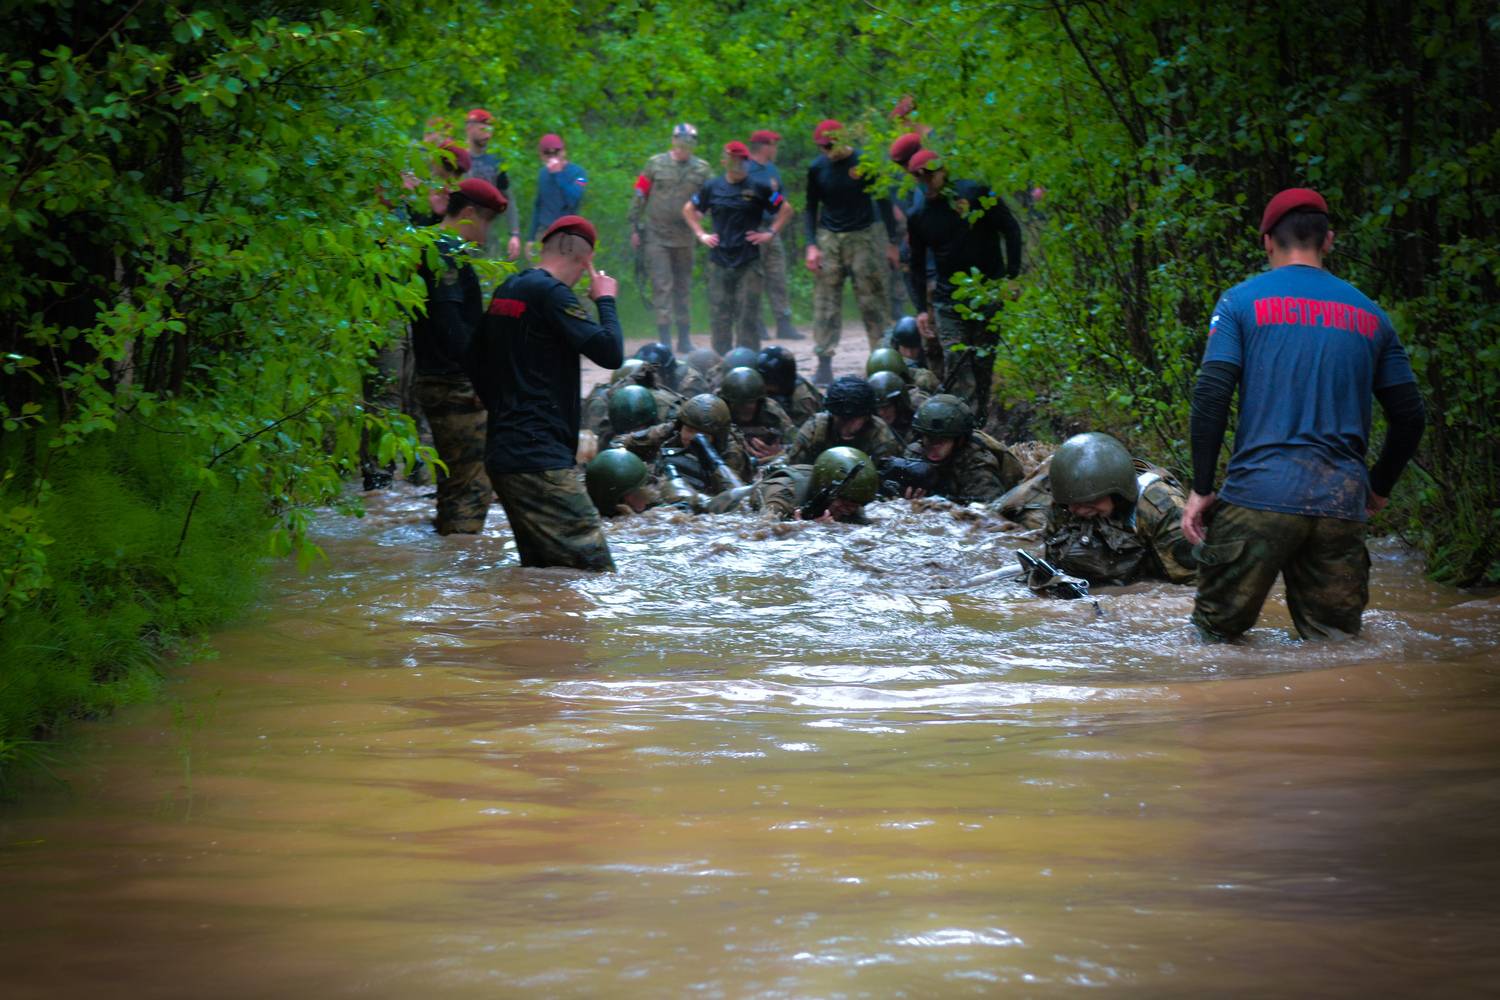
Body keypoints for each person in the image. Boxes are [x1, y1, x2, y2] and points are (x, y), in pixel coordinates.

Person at [1183, 187, 1425, 640]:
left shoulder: (1239, 303)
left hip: (1258, 494)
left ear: (1267, 241)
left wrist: (1200, 489)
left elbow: (1212, 395)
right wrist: (1378, 487)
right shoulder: (1373, 316)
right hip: (1340, 503)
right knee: (1335, 650)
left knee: (1213, 644)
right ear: (1328, 240)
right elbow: (1410, 416)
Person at [465, 214, 623, 570]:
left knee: (546, 576)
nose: (585, 273)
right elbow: (610, 353)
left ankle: (534, 628)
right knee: (594, 573)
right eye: (586, 265)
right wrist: (606, 301)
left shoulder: (509, 288)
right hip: (539, 458)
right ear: (579, 254)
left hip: (505, 453)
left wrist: (503, 407)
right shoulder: (552, 294)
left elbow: (473, 356)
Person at [411, 178, 508, 534]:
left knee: (456, 482)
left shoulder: (433, 244)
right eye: (486, 222)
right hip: (452, 383)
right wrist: (481, 378)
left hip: (439, 377)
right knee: (472, 485)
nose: (487, 234)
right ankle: (460, 568)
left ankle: (449, 558)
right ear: (468, 213)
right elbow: (452, 327)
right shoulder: (445, 251)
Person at [904, 149, 1023, 424]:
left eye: (930, 175)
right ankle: (962, 430)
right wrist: (922, 309)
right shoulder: (918, 214)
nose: (926, 182)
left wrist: (1011, 276)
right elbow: (917, 265)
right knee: (958, 366)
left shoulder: (975, 193)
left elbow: (1010, 228)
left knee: (983, 366)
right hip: (949, 301)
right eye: (918, 177)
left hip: (988, 292)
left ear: (943, 172)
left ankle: (979, 425)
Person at [997, 432, 1197, 585]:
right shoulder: (1066, 502)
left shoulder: (1160, 508)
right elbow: (1054, 561)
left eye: (1090, 503)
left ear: (1118, 494)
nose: (1080, 511)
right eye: (1073, 504)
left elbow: (1189, 587)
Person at [803, 120, 900, 386]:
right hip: (829, 238)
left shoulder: (865, 162)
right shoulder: (817, 168)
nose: (827, 151)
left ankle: (882, 361)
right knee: (825, 303)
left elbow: (883, 201)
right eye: (822, 147)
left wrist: (892, 242)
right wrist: (811, 244)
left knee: (873, 301)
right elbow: (810, 207)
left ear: (841, 140)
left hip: (864, 236)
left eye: (830, 145)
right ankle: (824, 363)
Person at [683, 141, 793, 356]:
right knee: (719, 315)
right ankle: (722, 363)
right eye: (733, 159)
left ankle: (747, 363)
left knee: (747, 314)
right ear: (725, 161)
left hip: (748, 260)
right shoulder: (712, 187)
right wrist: (701, 234)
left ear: (747, 161)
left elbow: (786, 209)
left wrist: (770, 233)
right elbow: (689, 209)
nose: (738, 164)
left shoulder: (760, 187)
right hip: (719, 260)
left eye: (742, 160)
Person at [630, 123, 713, 352]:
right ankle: (665, 340)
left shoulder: (702, 169)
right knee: (662, 285)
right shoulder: (655, 164)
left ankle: (684, 338)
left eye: (690, 139)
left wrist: (705, 218)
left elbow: (713, 195)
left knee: (683, 287)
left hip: (685, 237)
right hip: (657, 235)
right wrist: (635, 227)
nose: (685, 143)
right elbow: (640, 193)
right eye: (681, 138)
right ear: (674, 140)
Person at [611, 393, 753, 490]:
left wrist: (712, 460)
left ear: (717, 437)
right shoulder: (672, 429)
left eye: (701, 434)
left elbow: (736, 496)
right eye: (689, 430)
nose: (692, 437)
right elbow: (621, 443)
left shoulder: (731, 452)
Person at [894, 394, 1020, 503]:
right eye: (930, 439)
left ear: (959, 440)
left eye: (942, 441)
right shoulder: (914, 455)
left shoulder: (977, 463)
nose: (934, 447)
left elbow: (987, 516)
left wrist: (937, 508)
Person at [745, 129, 803, 341]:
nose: (776, 149)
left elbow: (780, 200)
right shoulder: (745, 170)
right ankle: (756, 325)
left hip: (771, 231)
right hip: (752, 231)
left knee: (778, 277)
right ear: (764, 146)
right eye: (774, 145)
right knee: (754, 280)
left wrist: (774, 228)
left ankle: (784, 324)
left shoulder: (772, 170)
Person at [787, 375, 902, 466]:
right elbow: (794, 468)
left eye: (853, 420)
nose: (845, 428)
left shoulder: (880, 436)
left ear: (867, 416)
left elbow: (887, 479)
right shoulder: (815, 429)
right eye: (841, 420)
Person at [751, 447, 881, 523]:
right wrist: (801, 529)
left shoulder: (851, 497)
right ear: (822, 488)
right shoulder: (784, 494)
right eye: (845, 503)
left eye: (857, 504)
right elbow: (761, 533)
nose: (850, 509)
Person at [463, 108, 521, 259]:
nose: (488, 135)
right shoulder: (458, 158)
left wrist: (514, 234)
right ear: (469, 127)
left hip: (488, 235)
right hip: (461, 232)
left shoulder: (496, 161)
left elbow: (508, 197)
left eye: (490, 130)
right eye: (483, 129)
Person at [525, 133, 588, 258]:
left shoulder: (580, 174)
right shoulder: (542, 174)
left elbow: (574, 199)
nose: (552, 156)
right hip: (544, 233)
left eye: (556, 152)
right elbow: (538, 206)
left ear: (563, 151)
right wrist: (530, 238)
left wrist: (559, 174)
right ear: (542, 156)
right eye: (547, 153)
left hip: (567, 233)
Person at [718, 365, 796, 461]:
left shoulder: (772, 410)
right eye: (739, 403)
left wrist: (779, 452)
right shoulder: (718, 411)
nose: (744, 408)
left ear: (759, 401)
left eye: (750, 402)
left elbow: (796, 444)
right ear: (728, 402)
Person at [756, 345, 823, 427]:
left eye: (766, 380)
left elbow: (804, 435)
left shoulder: (801, 400)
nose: (761, 384)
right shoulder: (781, 384)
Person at [634, 342, 709, 397]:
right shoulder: (639, 378)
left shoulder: (689, 384)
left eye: (650, 373)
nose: (644, 377)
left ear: (667, 374)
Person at [868, 370, 919, 447]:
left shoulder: (917, 417)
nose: (880, 413)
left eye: (886, 407)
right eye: (877, 408)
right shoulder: (872, 427)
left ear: (899, 404)